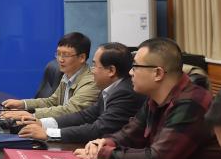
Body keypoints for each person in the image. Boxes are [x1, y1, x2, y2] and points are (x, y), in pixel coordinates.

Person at [75, 37, 221, 159]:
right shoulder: (155, 98)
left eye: (135, 67)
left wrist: (103, 153)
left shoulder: (191, 103)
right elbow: (129, 134)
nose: (130, 73)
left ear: (158, 73)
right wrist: (104, 143)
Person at [15, 42, 146, 144]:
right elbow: (85, 116)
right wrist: (41, 123)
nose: (92, 70)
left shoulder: (124, 92)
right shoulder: (110, 88)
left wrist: (49, 133)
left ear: (111, 70)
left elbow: (99, 129)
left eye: (94, 65)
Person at [0, 32, 99, 120]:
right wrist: (22, 104)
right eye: (58, 54)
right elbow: (52, 101)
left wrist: (31, 114)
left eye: (65, 55)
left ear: (82, 57)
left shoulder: (91, 82)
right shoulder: (67, 75)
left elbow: (70, 111)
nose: (60, 59)